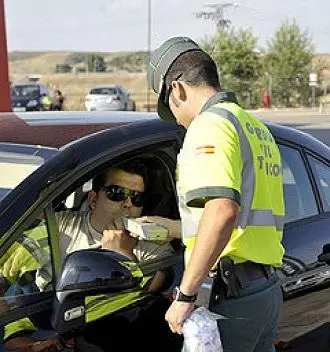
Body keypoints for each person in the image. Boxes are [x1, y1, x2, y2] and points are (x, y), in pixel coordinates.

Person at [148, 37, 285, 352]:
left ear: (177, 89)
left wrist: (185, 295)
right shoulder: (253, 126)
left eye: (170, 107)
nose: (177, 119)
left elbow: (223, 209)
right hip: (265, 289)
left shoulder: (208, 126)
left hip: (229, 297)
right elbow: (246, 213)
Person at [3, 162, 182, 351]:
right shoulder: (60, 227)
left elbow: (151, 292)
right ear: (94, 199)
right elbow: (7, 265)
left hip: (104, 337)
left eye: (136, 198)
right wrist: (36, 345)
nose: (128, 204)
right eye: (117, 193)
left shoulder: (153, 243)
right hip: (42, 325)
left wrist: (122, 255)